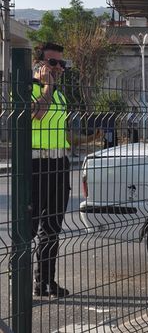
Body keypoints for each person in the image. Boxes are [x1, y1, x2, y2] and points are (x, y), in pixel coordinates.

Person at [29, 42, 71, 297]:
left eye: (61, 63)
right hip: (35, 164)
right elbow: (37, 114)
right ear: (39, 64)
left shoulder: (59, 93)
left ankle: (45, 282)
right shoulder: (29, 88)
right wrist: (47, 86)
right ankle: (22, 283)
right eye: (52, 62)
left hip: (59, 164)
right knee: (29, 228)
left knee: (52, 228)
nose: (58, 68)